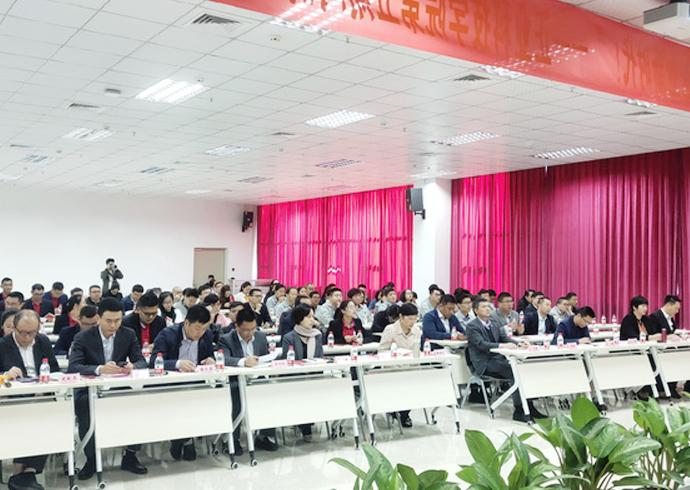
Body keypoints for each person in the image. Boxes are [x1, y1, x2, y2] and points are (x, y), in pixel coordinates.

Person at [68, 298, 147, 480]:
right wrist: (99, 369)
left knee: (138, 402)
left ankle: (130, 455)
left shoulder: (128, 334)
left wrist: (132, 366)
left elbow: (141, 361)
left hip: (118, 387)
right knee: (86, 407)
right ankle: (91, 459)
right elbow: (74, 367)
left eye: (117, 320)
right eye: (108, 321)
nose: (113, 325)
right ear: (98, 318)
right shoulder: (83, 337)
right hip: (89, 390)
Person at [0, 309, 59, 490]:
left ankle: (26, 473)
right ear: (14, 328)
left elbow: (55, 369)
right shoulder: (3, 345)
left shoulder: (43, 341)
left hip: (41, 397)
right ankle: (24, 474)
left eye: (32, 333)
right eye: (23, 332)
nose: (27, 337)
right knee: (25, 419)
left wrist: (46, 383)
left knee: (53, 418)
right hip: (13, 400)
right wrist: (5, 374)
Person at [149, 304, 215, 461]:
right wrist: (178, 364)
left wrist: (210, 360)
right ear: (186, 322)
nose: (200, 333)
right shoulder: (167, 334)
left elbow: (210, 354)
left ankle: (184, 438)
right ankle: (185, 439)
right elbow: (153, 362)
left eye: (204, 329)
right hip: (171, 385)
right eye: (197, 328)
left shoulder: (206, 335)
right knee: (181, 401)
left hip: (197, 384)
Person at [465, 298, 540, 422]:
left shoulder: (493, 323)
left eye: (489, 306)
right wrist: (502, 346)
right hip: (484, 363)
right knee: (514, 371)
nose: (487, 309)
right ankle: (519, 410)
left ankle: (529, 406)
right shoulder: (472, 326)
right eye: (484, 307)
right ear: (476, 310)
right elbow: (481, 344)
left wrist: (519, 343)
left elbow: (504, 337)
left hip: (498, 359)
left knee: (522, 369)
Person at [218, 306, 278, 453]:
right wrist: (244, 362)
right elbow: (224, 359)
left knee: (271, 393)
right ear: (236, 326)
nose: (250, 333)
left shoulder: (260, 337)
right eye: (246, 330)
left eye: (253, 329)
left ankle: (264, 436)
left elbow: (265, 357)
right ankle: (232, 440)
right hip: (235, 380)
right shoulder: (226, 339)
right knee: (235, 398)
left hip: (257, 379)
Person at [281, 304, 323, 442]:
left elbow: (319, 357)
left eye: (313, 317)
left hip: (313, 375)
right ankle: (305, 427)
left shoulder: (317, 335)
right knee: (304, 391)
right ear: (300, 319)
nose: (312, 320)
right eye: (308, 317)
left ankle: (307, 424)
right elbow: (288, 360)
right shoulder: (289, 337)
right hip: (295, 377)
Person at [378, 303, 421, 427]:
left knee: (417, 386)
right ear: (401, 317)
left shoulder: (417, 330)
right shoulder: (391, 329)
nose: (412, 322)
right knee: (402, 385)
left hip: (411, 368)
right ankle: (402, 414)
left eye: (415, 319)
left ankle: (404, 412)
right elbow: (381, 351)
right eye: (410, 319)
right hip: (394, 368)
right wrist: (397, 354)